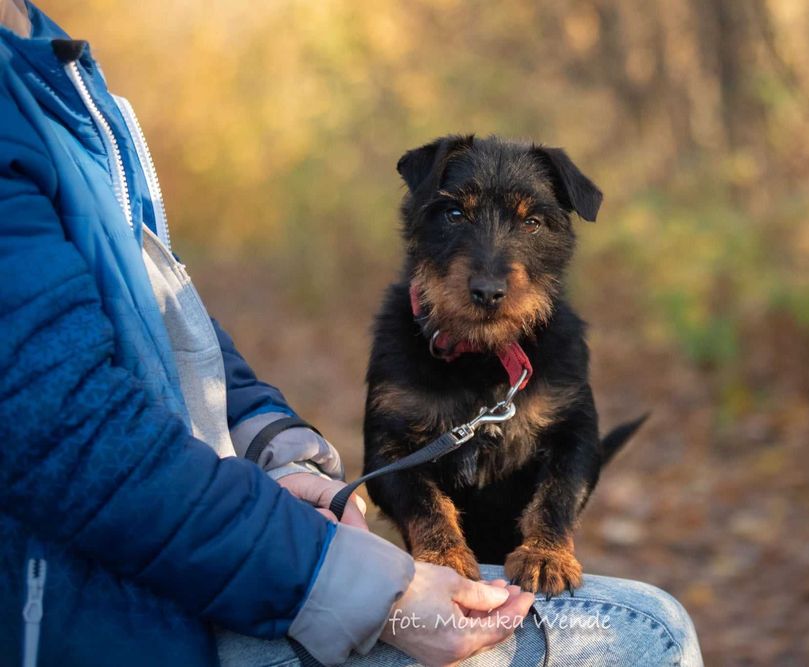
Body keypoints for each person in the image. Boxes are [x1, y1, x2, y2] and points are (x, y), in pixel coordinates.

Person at [0, 2, 703, 666]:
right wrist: (357, 581)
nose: (491, 271)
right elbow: (67, 430)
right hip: (96, 609)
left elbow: (163, 319)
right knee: (651, 631)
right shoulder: (33, 90)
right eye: (455, 216)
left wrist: (274, 437)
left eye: (528, 223)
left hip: (195, 560)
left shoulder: (53, 65)